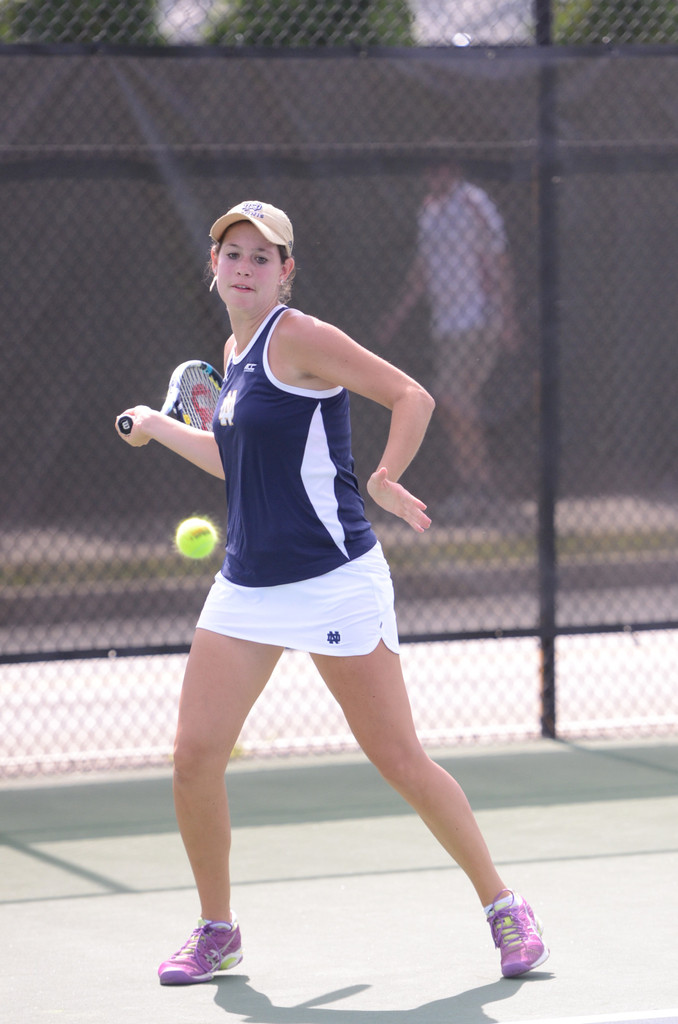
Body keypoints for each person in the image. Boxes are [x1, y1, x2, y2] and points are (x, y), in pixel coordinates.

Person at [116, 199, 548, 986]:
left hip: (334, 581)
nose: (243, 268)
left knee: (398, 759)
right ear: (213, 268)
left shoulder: (302, 338)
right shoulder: (234, 351)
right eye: (231, 254)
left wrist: (384, 476)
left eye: (261, 256)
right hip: (248, 585)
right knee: (192, 758)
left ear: (285, 271)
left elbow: (412, 395)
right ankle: (219, 930)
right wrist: (156, 422)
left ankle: (504, 904)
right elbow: (230, 461)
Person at [379, 162, 522, 516]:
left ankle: (481, 486)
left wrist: (507, 318)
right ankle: (474, 487)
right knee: (455, 401)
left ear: (453, 170)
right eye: (430, 169)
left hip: (478, 318)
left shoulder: (474, 202)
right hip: (445, 325)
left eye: (441, 168)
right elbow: (423, 272)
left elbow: (499, 259)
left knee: (453, 396)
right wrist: (397, 316)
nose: (434, 175)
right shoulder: (429, 212)